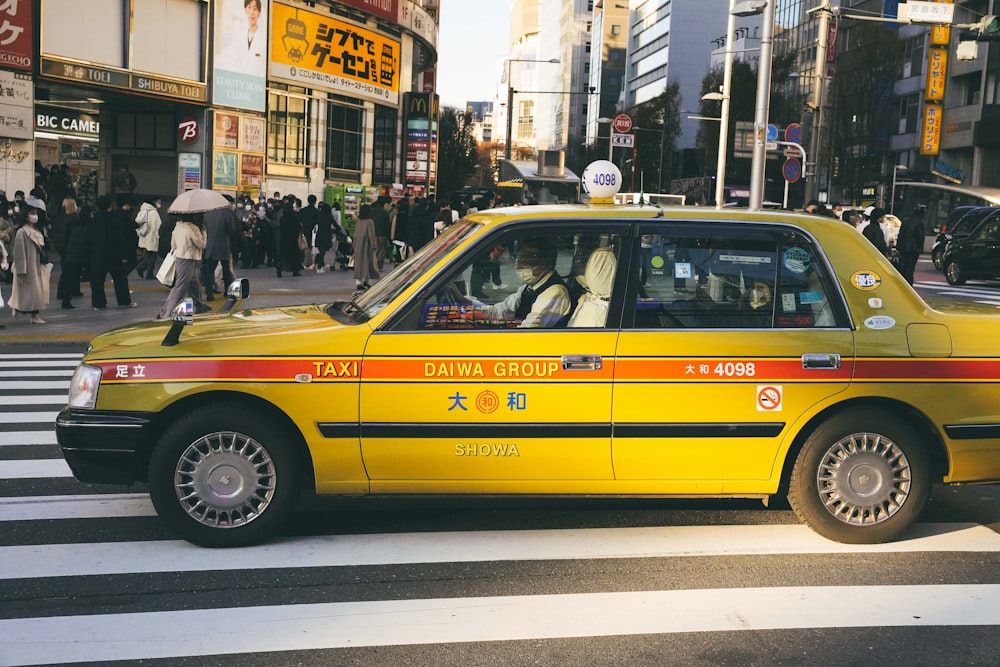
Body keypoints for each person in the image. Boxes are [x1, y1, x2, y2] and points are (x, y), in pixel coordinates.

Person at [480, 237, 571, 328]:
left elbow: (527, 331)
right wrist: (470, 305)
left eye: (527, 260)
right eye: (519, 259)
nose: (519, 266)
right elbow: (500, 311)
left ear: (545, 264)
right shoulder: (529, 288)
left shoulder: (555, 293)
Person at [88, 195, 136, 310]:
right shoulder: (114, 219)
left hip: (98, 255)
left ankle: (98, 304)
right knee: (120, 279)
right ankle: (124, 301)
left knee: (97, 282)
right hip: (114, 255)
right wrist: (124, 255)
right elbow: (120, 238)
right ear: (109, 206)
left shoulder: (93, 219)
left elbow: (89, 237)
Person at [159, 213, 210, 319]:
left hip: (180, 258)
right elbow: (202, 245)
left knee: (194, 283)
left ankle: (199, 305)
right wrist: (204, 234)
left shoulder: (177, 227)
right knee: (180, 286)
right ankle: (166, 312)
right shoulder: (193, 228)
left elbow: (173, 245)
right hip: (190, 259)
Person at [8, 201, 50, 324]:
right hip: (29, 268)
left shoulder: (36, 229)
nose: (35, 216)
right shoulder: (22, 232)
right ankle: (34, 315)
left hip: (38, 266)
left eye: (36, 213)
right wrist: (21, 271)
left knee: (35, 293)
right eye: (32, 213)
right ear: (26, 216)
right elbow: (19, 254)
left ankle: (21, 310)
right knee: (33, 293)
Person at [201, 199, 237, 299]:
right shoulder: (227, 215)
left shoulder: (207, 215)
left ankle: (209, 293)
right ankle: (228, 291)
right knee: (226, 269)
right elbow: (231, 231)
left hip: (211, 246)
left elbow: (205, 228)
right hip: (223, 246)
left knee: (209, 271)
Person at [220, 0, 265, 75]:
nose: (252, 12)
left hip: (256, 83)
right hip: (240, 81)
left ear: (259, 13)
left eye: (255, 9)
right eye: (249, 8)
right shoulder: (239, 36)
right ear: (245, 10)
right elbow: (227, 58)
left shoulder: (263, 39)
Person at [53, 197, 82, 309]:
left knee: (65, 271)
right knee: (70, 273)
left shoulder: (59, 218)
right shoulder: (74, 219)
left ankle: (61, 292)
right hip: (70, 249)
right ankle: (67, 297)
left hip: (61, 248)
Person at [135, 196, 163, 280]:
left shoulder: (143, 210)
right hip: (152, 237)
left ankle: (145, 270)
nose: (160, 203)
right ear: (154, 202)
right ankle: (144, 270)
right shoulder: (153, 213)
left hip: (145, 237)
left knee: (148, 255)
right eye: (159, 201)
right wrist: (159, 237)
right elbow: (157, 227)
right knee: (152, 257)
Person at [896, 206, 925, 285]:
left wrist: (898, 247)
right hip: (914, 249)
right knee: (910, 269)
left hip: (903, 248)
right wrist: (921, 248)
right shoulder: (920, 222)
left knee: (903, 267)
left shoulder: (905, 221)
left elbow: (900, 235)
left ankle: (902, 283)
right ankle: (908, 284)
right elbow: (920, 236)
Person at [352, 203, 379, 290]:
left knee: (359, 262)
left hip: (358, 245)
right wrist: (374, 245)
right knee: (368, 262)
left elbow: (355, 235)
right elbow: (371, 235)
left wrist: (354, 245)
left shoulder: (358, 222)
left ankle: (358, 281)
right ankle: (366, 281)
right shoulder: (370, 222)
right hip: (367, 245)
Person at [277, 198, 302, 277]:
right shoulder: (294, 218)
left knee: (282, 255)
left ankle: (279, 270)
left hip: (284, 238)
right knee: (294, 255)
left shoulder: (282, 219)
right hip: (293, 239)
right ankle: (295, 270)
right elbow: (298, 227)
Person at [371, 196, 391, 270]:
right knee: (382, 250)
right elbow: (387, 225)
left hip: (374, 233)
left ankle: (373, 264)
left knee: (375, 249)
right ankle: (379, 265)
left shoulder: (372, 212)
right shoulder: (385, 213)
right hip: (383, 234)